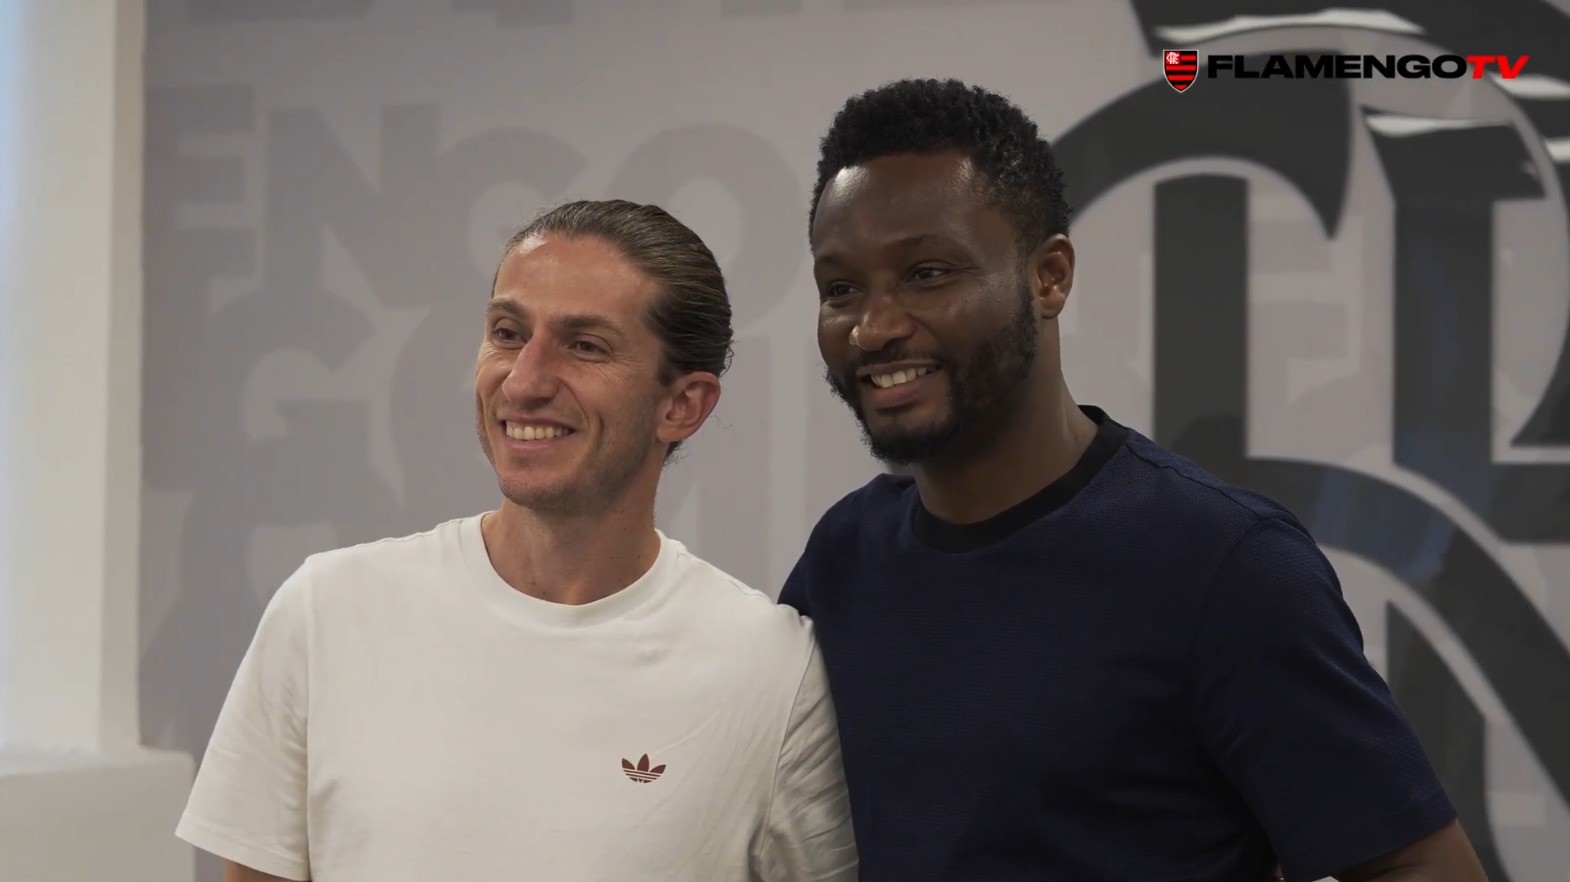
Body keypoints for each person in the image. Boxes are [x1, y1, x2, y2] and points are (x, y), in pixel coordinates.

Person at [779, 78, 1488, 882]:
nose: (873, 327)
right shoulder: (844, 558)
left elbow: (1420, 867)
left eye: (927, 272)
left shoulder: (1221, 564)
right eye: (841, 289)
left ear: (1049, 276)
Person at [178, 199, 858, 881]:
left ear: (681, 405)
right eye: (508, 333)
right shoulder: (325, 612)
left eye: (585, 346)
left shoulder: (770, 668)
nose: (524, 380)